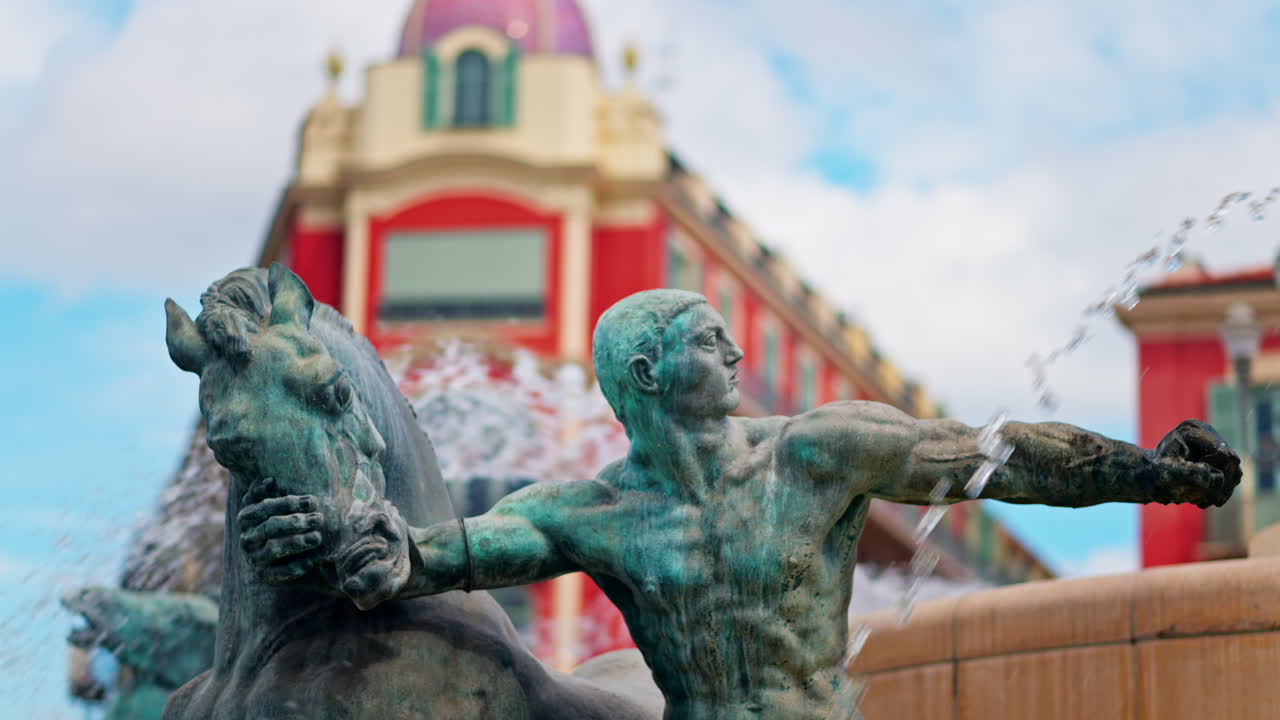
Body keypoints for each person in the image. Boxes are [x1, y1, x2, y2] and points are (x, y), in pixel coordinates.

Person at [240, 289, 1240, 719]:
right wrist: (342, 541)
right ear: (649, 370)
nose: (731, 353)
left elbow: (992, 458)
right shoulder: (590, 512)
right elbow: (442, 553)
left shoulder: (818, 450)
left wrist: (1143, 472)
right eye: (708, 339)